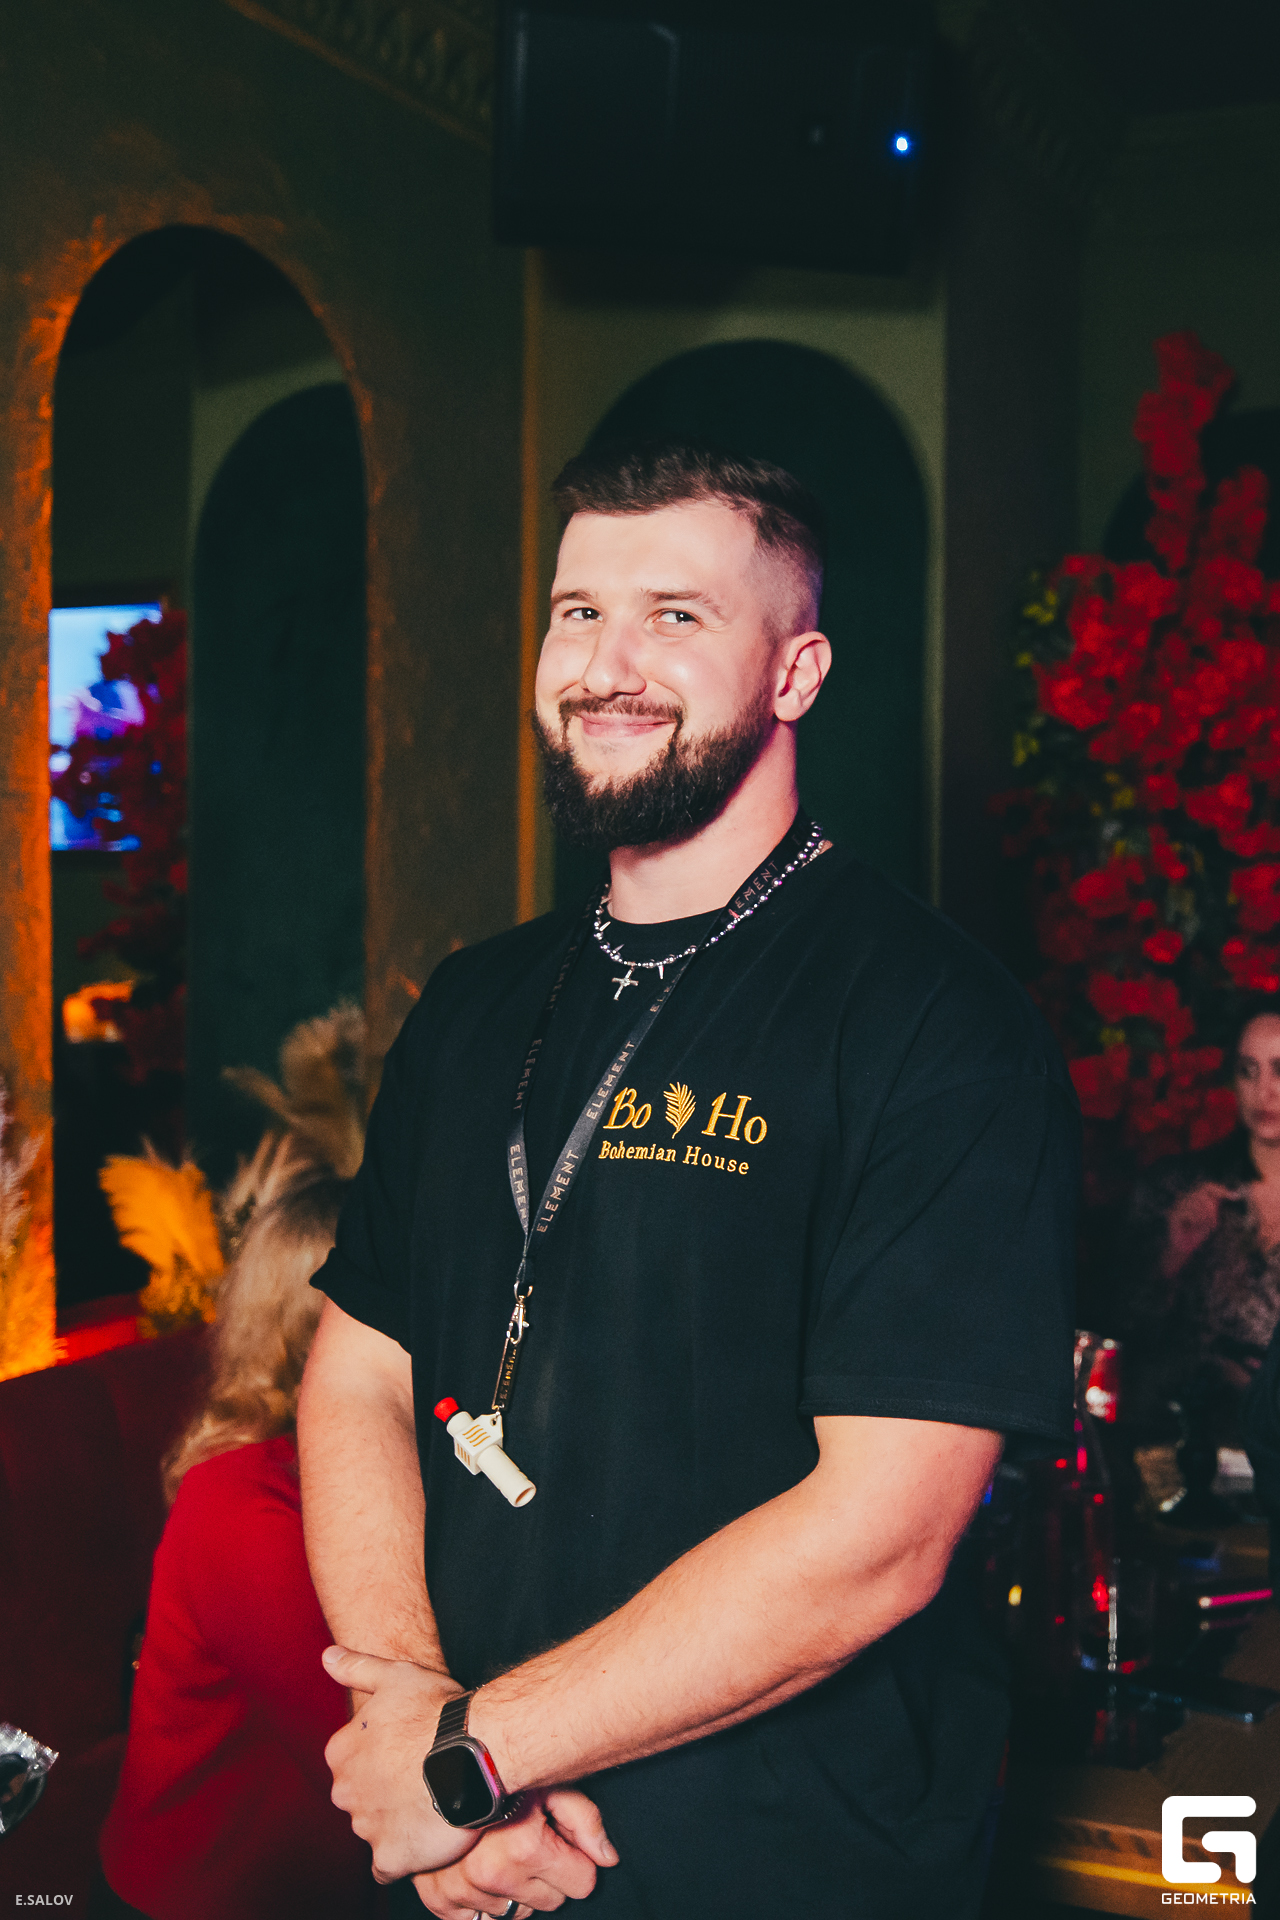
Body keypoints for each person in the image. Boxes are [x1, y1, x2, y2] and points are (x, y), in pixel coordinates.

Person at [298, 441, 1079, 1919]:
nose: (607, 666)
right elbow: (358, 1372)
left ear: (795, 672)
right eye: (578, 612)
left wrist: (472, 1757)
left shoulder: (937, 1024)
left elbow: (882, 1536)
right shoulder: (472, 1002)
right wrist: (417, 1724)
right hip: (470, 1853)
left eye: (675, 615)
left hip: (779, 1861)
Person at [98, 1132, 379, 1920]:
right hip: (204, 1899)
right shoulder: (241, 1505)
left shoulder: (384, 1462)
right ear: (319, 1325)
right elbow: (365, 1756)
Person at [1121, 1008, 1280, 1440]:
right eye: (1248, 1071)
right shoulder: (1182, 1187)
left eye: (1279, 1070)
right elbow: (1121, 1332)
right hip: (1180, 1437)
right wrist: (1174, 1253)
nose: (1264, 1091)